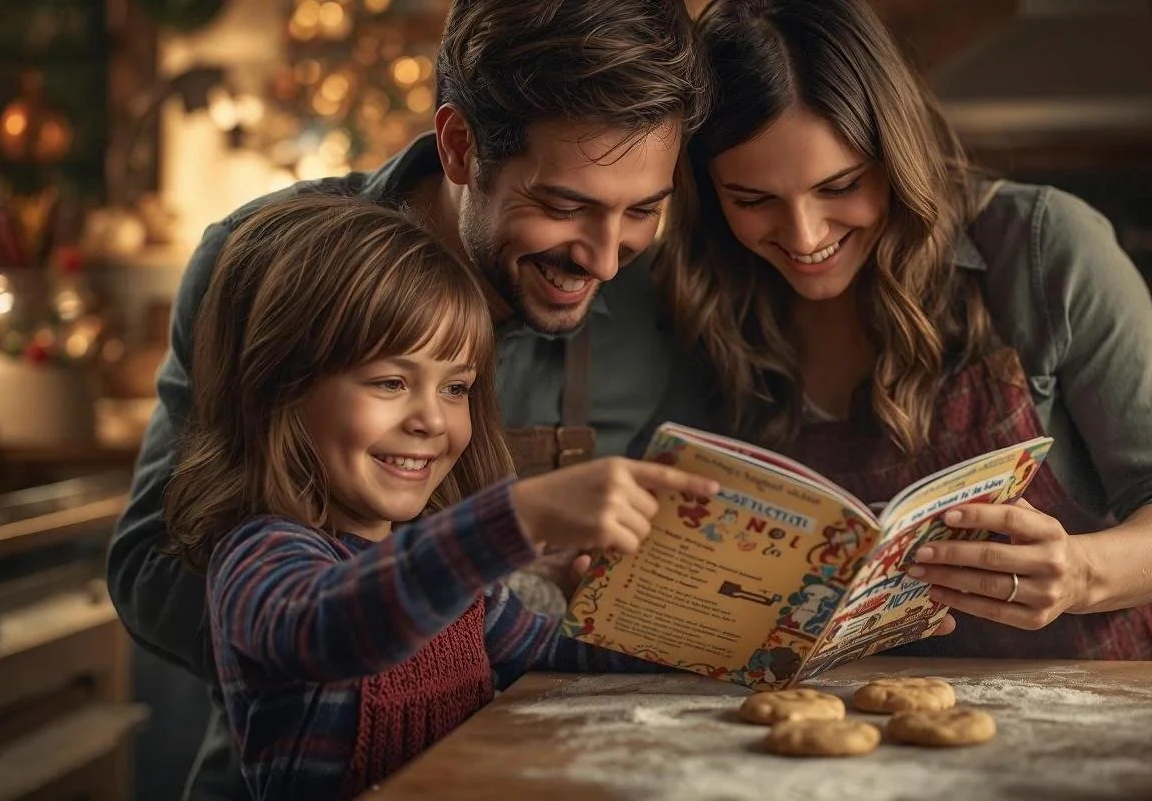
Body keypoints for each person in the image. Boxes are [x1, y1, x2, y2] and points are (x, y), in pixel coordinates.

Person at [107, 0, 711, 798]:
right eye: (564, 205)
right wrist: (490, 559)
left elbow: (573, 644)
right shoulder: (269, 262)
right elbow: (177, 576)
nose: (604, 256)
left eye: (642, 211)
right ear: (460, 146)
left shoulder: (658, 306)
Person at [654, 0, 1152, 660]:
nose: (804, 236)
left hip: (1085, 713)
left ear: (896, 153)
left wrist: (1078, 572)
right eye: (752, 200)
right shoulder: (703, 290)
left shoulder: (1042, 248)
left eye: (840, 185)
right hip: (864, 734)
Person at [164, 194, 712, 801]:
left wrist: (721, 638)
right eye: (392, 382)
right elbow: (335, 627)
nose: (431, 419)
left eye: (456, 387)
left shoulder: (457, 582)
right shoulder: (259, 554)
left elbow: (560, 653)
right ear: (280, 391)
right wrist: (518, 517)